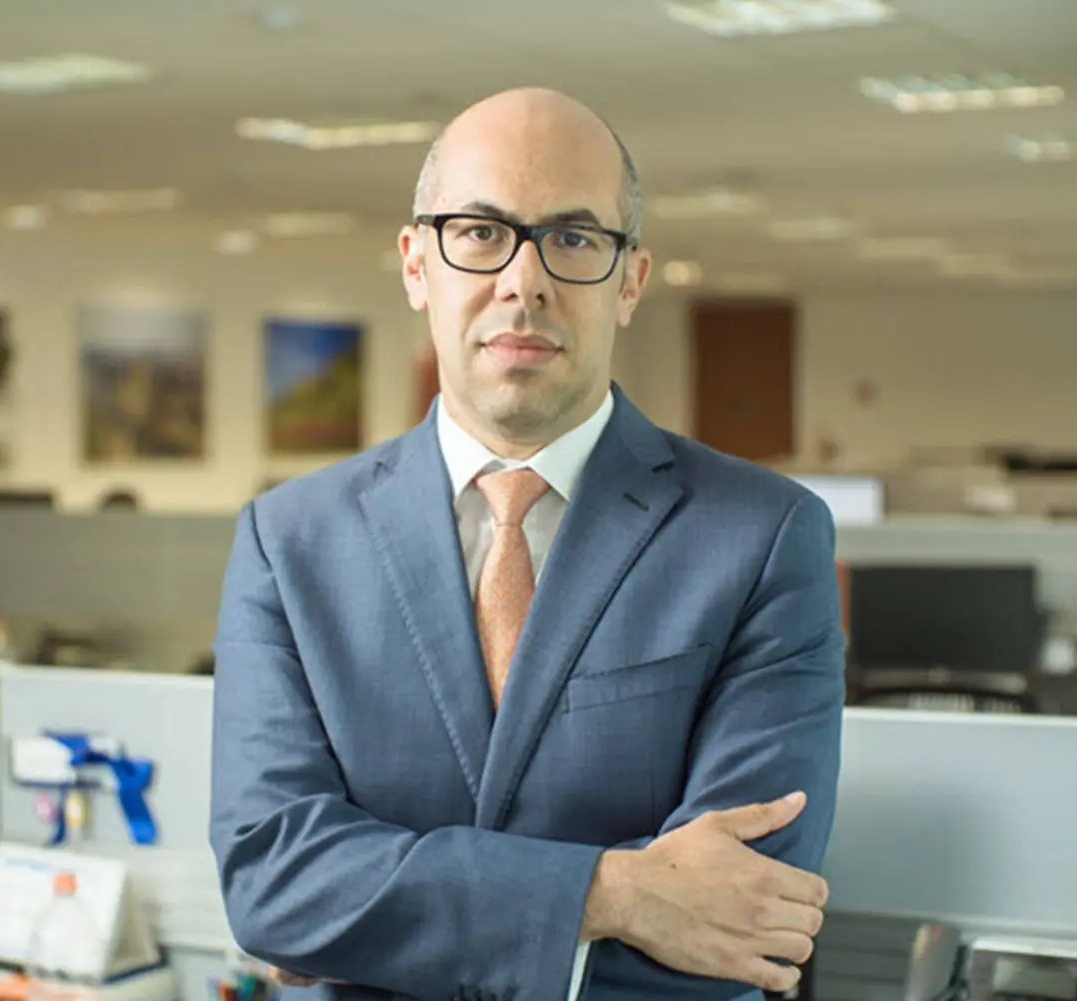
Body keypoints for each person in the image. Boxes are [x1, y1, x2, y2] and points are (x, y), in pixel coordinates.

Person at [209, 87, 845, 1001]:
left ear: (630, 280)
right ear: (416, 263)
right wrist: (615, 892)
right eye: (479, 231)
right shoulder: (289, 540)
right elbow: (273, 882)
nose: (524, 280)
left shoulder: (762, 535)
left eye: (574, 239)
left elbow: (745, 917)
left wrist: (370, 923)